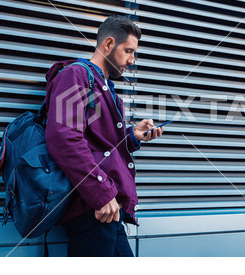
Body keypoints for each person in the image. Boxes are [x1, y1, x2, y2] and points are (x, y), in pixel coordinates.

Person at [44, 15, 163, 257]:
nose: (131, 60)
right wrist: (100, 194)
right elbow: (64, 139)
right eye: (128, 51)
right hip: (93, 209)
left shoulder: (104, 89)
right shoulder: (75, 76)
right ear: (109, 44)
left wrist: (132, 136)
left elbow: (97, 142)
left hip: (108, 209)